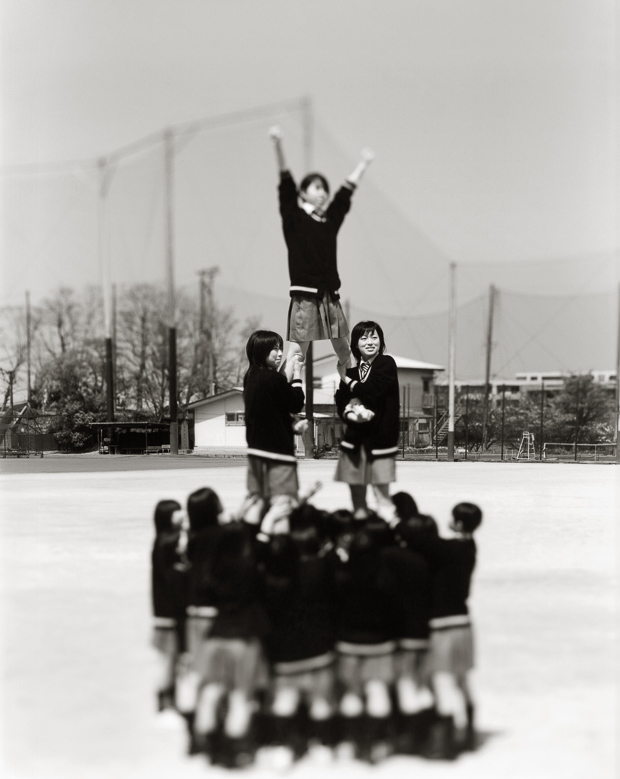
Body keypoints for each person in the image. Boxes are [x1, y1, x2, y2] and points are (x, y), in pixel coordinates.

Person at [268, 125, 374, 371]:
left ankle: (353, 396)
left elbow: (344, 195)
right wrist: (277, 145)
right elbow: (285, 184)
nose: (323, 192)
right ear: (302, 193)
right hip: (305, 295)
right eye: (316, 187)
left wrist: (363, 164)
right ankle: (285, 398)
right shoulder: (293, 218)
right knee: (296, 354)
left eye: (324, 188)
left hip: (330, 294)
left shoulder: (328, 221)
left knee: (345, 351)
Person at [419, 502, 482, 758]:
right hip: (463, 623)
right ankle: (468, 732)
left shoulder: (448, 549)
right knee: (461, 679)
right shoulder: (469, 547)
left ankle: (444, 737)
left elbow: (424, 541)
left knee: (437, 679)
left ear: (457, 523)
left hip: (442, 623)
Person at [239, 330, 305, 533]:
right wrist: (297, 375)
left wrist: (291, 425)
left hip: (256, 453)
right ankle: (279, 551)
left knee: (258, 501)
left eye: (280, 349)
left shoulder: (249, 378)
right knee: (281, 504)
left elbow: (271, 413)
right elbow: (295, 403)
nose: (278, 354)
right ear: (260, 352)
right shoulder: (273, 379)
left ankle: (252, 542)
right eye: (273, 349)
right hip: (278, 455)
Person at [335, 320, 400, 522]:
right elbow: (341, 400)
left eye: (374, 337)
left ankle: (389, 538)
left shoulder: (386, 363)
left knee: (383, 498)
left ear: (381, 341)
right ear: (355, 344)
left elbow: (372, 391)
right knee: (358, 502)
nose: (370, 342)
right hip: (354, 442)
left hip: (380, 440)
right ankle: (362, 542)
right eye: (364, 338)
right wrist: (349, 412)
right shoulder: (352, 372)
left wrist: (346, 379)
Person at [150, 499, 187, 713]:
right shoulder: (166, 542)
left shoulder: (163, 540)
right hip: (167, 614)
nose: (182, 515)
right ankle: (164, 702)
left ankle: (169, 699)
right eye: (177, 513)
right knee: (167, 661)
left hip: (168, 613)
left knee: (171, 661)